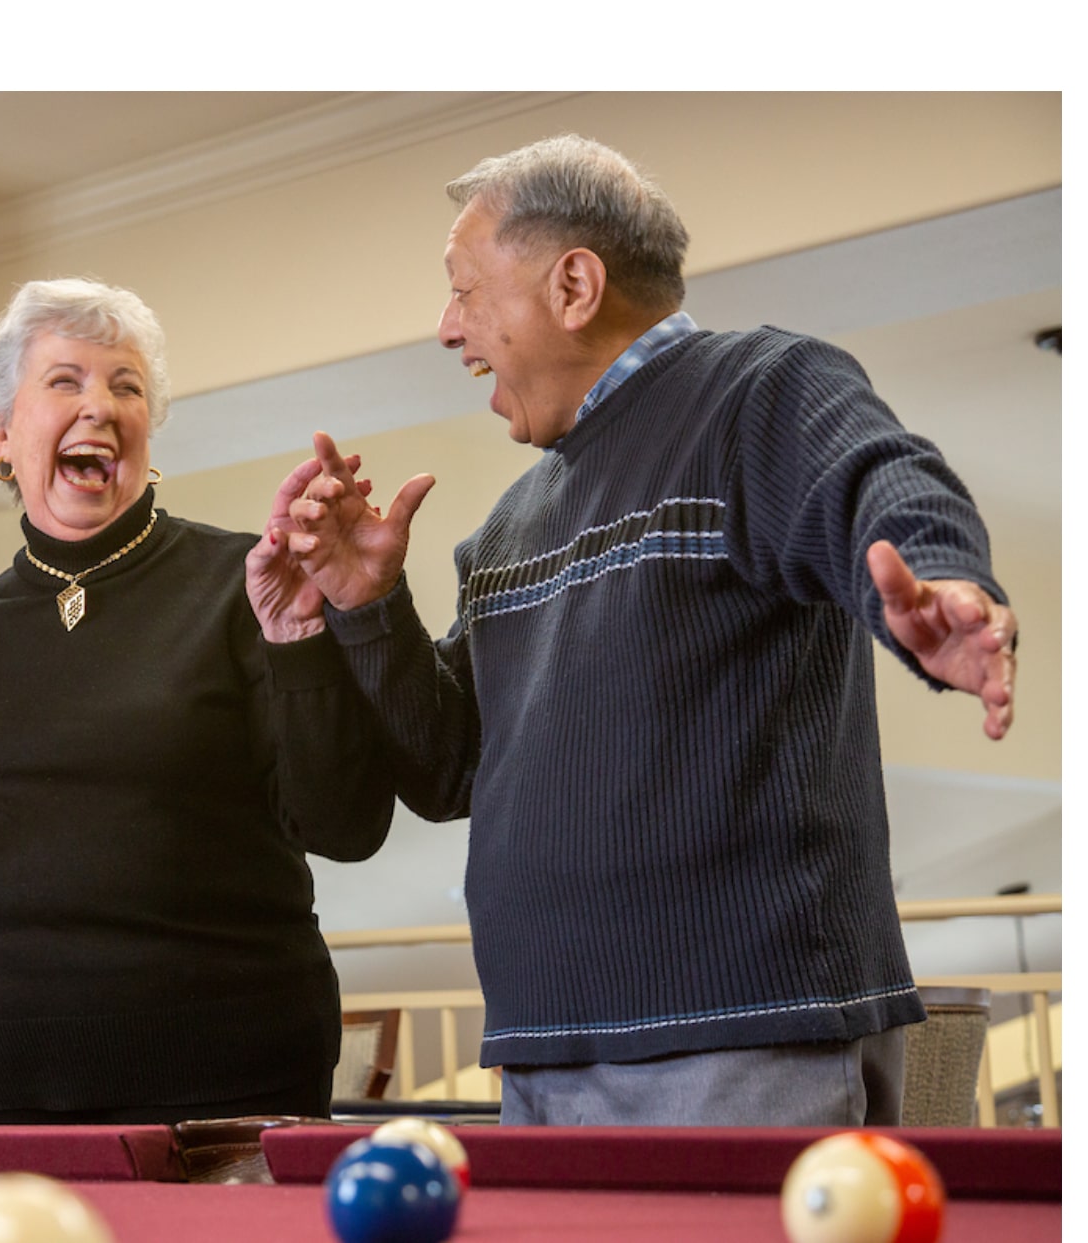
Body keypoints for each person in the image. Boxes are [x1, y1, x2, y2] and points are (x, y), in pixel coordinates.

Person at [254, 134, 1019, 1127]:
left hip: (746, 1040)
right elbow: (448, 769)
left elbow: (881, 479)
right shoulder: (508, 527)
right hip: (544, 1052)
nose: (447, 328)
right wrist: (367, 603)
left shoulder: (758, 391)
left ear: (574, 285)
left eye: (465, 290)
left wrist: (947, 578)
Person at [0, 277, 396, 1124]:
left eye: (125, 386)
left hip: (225, 1079)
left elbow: (349, 826)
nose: (100, 405)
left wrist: (301, 643)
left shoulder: (251, 582)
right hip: (2, 1083)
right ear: (1, 432)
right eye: (65, 381)